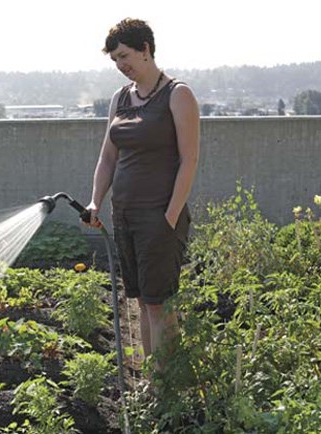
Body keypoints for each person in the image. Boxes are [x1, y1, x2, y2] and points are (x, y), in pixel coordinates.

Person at [85, 18, 200, 371]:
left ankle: (167, 384)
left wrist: (170, 216)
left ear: (146, 49)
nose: (121, 66)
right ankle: (153, 379)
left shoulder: (177, 94)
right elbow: (108, 157)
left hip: (159, 216)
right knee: (140, 301)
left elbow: (189, 160)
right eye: (115, 60)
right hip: (126, 216)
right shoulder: (121, 99)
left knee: (159, 304)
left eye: (125, 56)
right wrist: (95, 201)